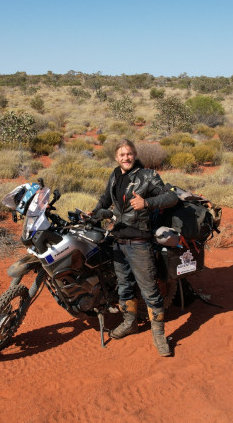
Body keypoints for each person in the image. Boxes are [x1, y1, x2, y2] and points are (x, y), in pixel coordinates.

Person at [91, 139, 178, 356]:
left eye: (129, 154)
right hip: (118, 241)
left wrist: (147, 203)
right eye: (122, 155)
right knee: (124, 287)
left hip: (139, 243)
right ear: (116, 157)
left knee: (149, 291)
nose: (126, 158)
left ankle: (159, 336)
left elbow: (171, 196)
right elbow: (105, 198)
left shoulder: (147, 175)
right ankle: (130, 323)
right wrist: (94, 213)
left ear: (135, 154)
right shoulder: (115, 175)